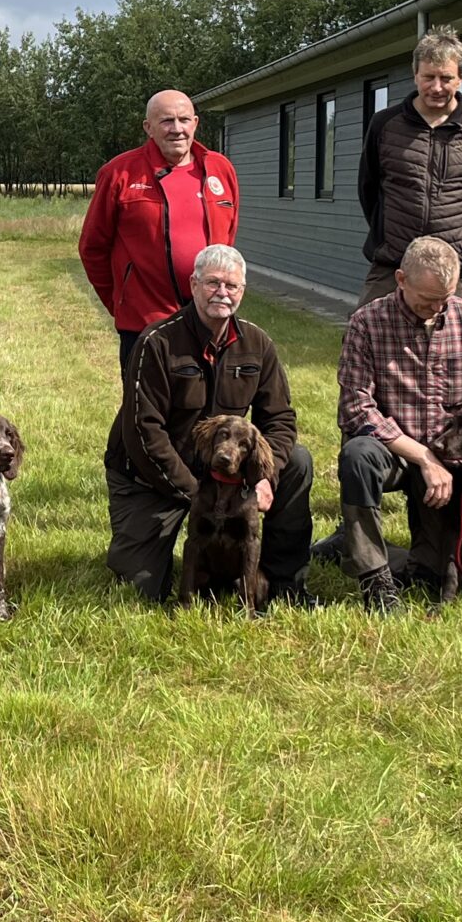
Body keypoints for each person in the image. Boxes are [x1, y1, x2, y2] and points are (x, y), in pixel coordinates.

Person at [103, 244, 314, 604]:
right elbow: (143, 434)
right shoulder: (157, 343)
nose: (222, 293)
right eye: (213, 283)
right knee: (141, 587)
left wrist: (264, 476)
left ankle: (285, 580)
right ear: (193, 284)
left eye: (231, 286)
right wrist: (197, 494)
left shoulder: (257, 344)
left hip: (226, 474)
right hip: (152, 476)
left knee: (296, 460)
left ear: (243, 292)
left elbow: (279, 419)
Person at [332, 235, 462, 610]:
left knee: (432, 575)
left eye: (444, 299)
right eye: (427, 299)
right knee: (357, 454)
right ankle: (374, 578)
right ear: (401, 279)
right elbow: (355, 407)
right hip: (397, 451)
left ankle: (349, 545)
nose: (436, 308)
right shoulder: (367, 324)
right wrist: (423, 457)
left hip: (457, 456)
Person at [78, 88, 240, 381]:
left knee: (208, 416)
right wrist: (121, 300)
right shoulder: (120, 173)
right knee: (146, 416)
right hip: (144, 321)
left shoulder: (220, 169)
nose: (177, 129)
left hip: (209, 317)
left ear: (196, 123)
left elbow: (227, 242)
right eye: (166, 121)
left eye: (184, 120)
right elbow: (93, 247)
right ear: (148, 127)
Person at [356, 25, 462, 304]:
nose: (437, 87)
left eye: (446, 78)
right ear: (415, 75)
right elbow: (369, 189)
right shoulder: (384, 125)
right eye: (429, 77)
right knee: (363, 340)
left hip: (451, 271)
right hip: (392, 265)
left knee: (452, 347)